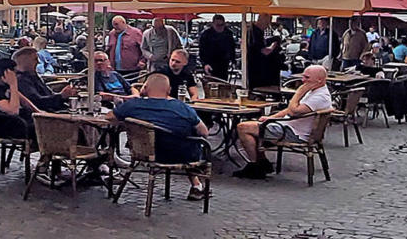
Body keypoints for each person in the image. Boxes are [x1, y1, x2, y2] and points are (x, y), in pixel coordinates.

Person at [112, 72, 210, 200]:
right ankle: (197, 186)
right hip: (180, 156)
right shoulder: (182, 107)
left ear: (145, 88)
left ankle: (197, 186)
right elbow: (204, 132)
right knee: (191, 138)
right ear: (169, 90)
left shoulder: (132, 105)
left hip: (144, 153)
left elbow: (110, 117)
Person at [234, 65, 334, 180]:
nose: (303, 80)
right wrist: (271, 117)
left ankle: (255, 166)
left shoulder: (320, 97)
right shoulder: (315, 91)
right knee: (253, 126)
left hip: (294, 133)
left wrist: (299, 92)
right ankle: (262, 163)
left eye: (307, 77)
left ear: (319, 80)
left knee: (243, 127)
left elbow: (294, 111)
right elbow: (290, 109)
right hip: (288, 126)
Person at [0, 57, 34, 138]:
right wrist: (13, 85)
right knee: (44, 129)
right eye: (14, 73)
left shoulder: (3, 85)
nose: (16, 76)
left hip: (19, 122)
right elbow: (13, 111)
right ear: (6, 73)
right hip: (6, 128)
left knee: (47, 123)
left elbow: (25, 102)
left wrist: (40, 113)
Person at [9, 46, 74, 113]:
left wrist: (63, 95)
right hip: (46, 116)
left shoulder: (32, 75)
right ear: (25, 61)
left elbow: (48, 94)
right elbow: (38, 102)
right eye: (35, 59)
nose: (38, 62)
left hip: (54, 110)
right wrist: (61, 96)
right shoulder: (22, 80)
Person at [247, 15, 281, 89]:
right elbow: (265, 51)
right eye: (267, 23)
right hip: (258, 71)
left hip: (258, 70)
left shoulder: (256, 32)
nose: (267, 26)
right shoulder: (254, 33)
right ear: (262, 20)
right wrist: (274, 44)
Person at [198, 15, 235, 80]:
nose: (220, 27)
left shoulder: (228, 33)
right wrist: (205, 64)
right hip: (210, 64)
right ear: (213, 24)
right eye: (217, 25)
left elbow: (232, 48)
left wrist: (233, 60)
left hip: (224, 64)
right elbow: (202, 51)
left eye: (222, 25)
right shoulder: (206, 34)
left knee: (223, 84)